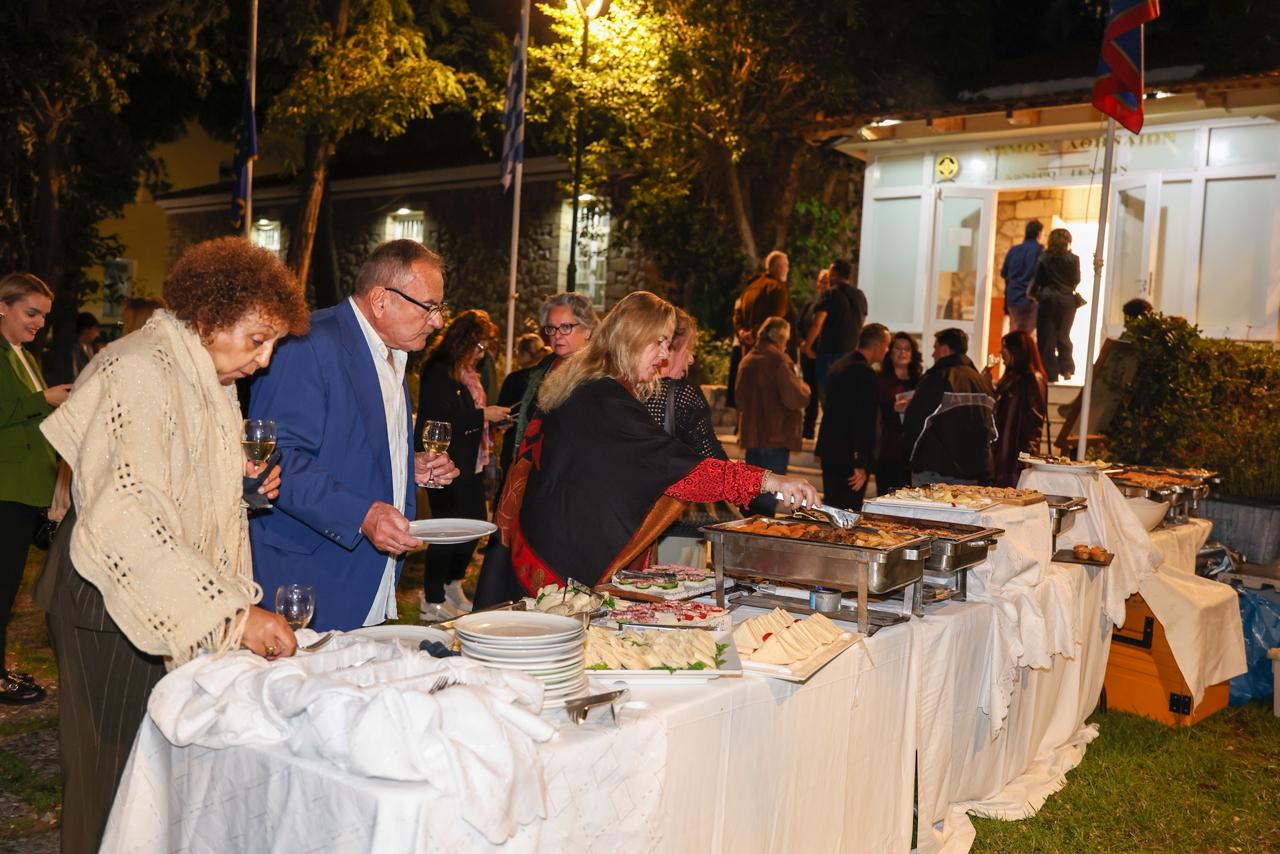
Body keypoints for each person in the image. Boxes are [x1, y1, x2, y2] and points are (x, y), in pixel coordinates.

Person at [34, 238, 306, 852]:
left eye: (271, 344)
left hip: (161, 584)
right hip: (107, 596)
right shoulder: (137, 368)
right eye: (258, 338)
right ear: (210, 317)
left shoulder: (199, 371)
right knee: (111, 789)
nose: (263, 360)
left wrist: (239, 489)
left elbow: (179, 486)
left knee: (161, 787)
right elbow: (126, 513)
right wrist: (232, 615)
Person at [473, 291, 816, 605]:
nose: (665, 355)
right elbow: (680, 470)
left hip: (540, 543)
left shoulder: (586, 380)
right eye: (660, 342)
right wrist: (770, 481)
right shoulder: (605, 397)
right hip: (558, 561)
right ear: (633, 338)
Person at [247, 240, 461, 632]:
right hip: (311, 577)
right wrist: (361, 514)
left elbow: (348, 444)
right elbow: (277, 460)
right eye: (429, 307)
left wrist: (405, 466)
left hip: (364, 573)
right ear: (381, 300)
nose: (438, 321)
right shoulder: (308, 344)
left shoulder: (391, 351)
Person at [0, 274, 72, 705]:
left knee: (8, 587)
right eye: (31, 313)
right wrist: (43, 399)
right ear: (2, 306)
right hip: (6, 489)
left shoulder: (24, 355)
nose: (39, 323)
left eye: (44, 316)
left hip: (29, 489)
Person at [414, 310, 509, 622]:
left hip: (471, 461)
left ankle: (452, 584)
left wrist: (492, 420)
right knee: (447, 529)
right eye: (479, 346)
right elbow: (441, 419)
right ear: (464, 341)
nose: (482, 354)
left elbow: (466, 415)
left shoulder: (466, 372)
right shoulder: (439, 370)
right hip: (442, 462)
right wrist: (484, 415)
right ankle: (432, 598)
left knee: (475, 522)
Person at [498, 292, 599, 477]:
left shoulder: (598, 372)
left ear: (588, 330)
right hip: (536, 471)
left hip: (573, 475)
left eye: (566, 327)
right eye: (551, 328)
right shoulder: (545, 366)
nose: (557, 335)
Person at [735, 316, 811, 516]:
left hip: (753, 437)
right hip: (775, 436)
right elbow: (795, 398)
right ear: (780, 338)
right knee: (767, 499)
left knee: (752, 492)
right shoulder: (779, 360)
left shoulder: (748, 359)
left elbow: (739, 398)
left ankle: (745, 528)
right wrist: (805, 388)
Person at [902, 327, 996, 486]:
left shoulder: (937, 378)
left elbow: (916, 423)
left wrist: (909, 459)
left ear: (944, 350)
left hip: (934, 471)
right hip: (972, 476)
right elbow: (992, 430)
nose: (933, 354)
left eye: (935, 348)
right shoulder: (982, 383)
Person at [816, 323, 890, 510]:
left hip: (831, 451)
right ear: (877, 346)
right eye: (886, 345)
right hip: (849, 457)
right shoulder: (864, 373)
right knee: (847, 512)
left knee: (833, 507)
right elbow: (863, 420)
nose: (887, 350)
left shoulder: (839, 365)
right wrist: (861, 462)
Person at [644, 308, 727, 462]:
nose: (691, 359)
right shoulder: (682, 395)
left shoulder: (622, 389)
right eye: (688, 349)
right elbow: (714, 463)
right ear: (667, 349)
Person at [989, 331, 1048, 487]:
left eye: (1005, 347)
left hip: (1015, 457)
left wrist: (1025, 459)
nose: (1001, 352)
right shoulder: (1011, 378)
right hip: (1002, 452)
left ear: (1016, 350)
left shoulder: (1032, 379)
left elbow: (1034, 423)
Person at [803, 259, 868, 395]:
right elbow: (862, 323)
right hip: (851, 352)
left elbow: (818, 322)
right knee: (846, 394)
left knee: (828, 395)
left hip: (829, 353)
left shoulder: (830, 294)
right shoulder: (860, 295)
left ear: (834, 274)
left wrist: (807, 347)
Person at [1029, 227, 1082, 382]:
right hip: (1067, 301)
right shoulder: (1074, 259)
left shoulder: (1044, 258)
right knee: (1064, 335)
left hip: (1047, 300)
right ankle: (1067, 369)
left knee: (1047, 338)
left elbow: (1038, 279)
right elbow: (1076, 280)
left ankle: (1050, 374)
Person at [875, 332, 923, 496]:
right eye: (898, 348)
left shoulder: (920, 381)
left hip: (914, 453)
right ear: (890, 352)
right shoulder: (880, 380)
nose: (903, 352)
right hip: (888, 450)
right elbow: (873, 413)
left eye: (907, 349)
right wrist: (892, 409)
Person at [797, 268, 829, 440]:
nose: (823, 285)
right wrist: (803, 343)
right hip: (807, 355)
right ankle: (807, 429)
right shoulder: (810, 304)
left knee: (825, 394)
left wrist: (814, 349)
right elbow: (799, 325)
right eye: (821, 281)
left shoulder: (833, 305)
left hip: (823, 355)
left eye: (826, 281)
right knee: (810, 393)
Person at [999, 220, 1044, 334]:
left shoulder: (1013, 250)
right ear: (1039, 233)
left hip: (1012, 298)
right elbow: (1041, 275)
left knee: (1014, 335)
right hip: (1029, 299)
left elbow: (1004, 274)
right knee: (1025, 337)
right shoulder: (1039, 250)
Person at [44, 310, 100, 385]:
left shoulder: (92, 348)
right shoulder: (72, 350)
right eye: (95, 330)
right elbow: (74, 375)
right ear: (86, 330)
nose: (97, 334)